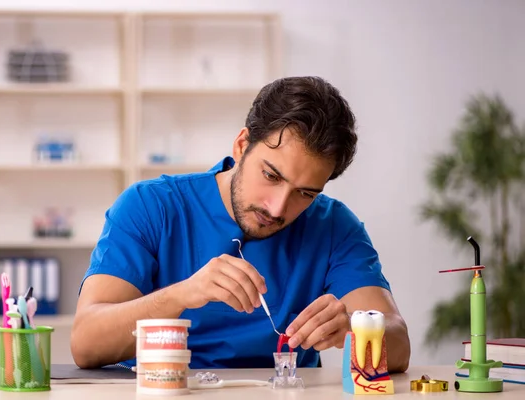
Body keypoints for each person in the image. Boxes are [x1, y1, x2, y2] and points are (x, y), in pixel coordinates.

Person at [70, 76, 411, 372]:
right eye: (270, 175)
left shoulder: (336, 226)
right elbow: (86, 344)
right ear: (242, 144)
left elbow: (398, 343)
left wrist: (354, 326)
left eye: (305, 193)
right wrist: (184, 293)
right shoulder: (151, 206)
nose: (278, 208)